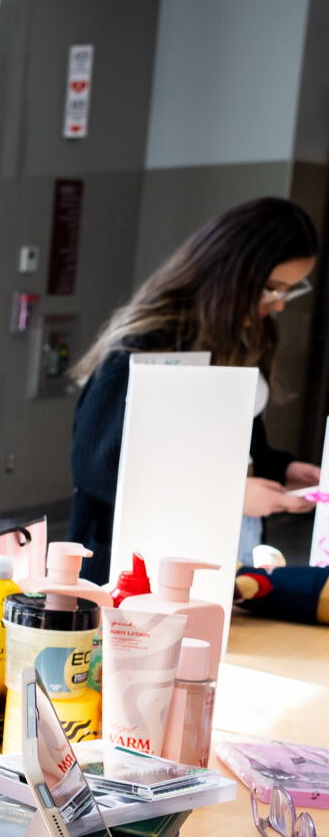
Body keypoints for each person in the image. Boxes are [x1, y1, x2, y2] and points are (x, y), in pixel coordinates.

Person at [69, 197, 321, 584]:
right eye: (272, 289)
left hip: (223, 543)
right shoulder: (148, 340)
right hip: (139, 556)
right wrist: (228, 494)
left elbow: (239, 437)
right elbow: (98, 469)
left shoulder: (246, 330)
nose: (280, 304)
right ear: (231, 272)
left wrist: (281, 468)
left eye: (289, 290)